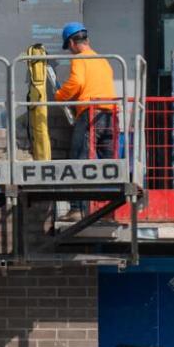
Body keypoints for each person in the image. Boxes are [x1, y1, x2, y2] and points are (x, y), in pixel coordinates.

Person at [54, 21, 117, 221]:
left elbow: (77, 82)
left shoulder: (80, 59)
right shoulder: (103, 60)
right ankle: (111, 210)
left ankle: (77, 209)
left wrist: (59, 96)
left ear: (72, 42)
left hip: (91, 114)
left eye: (69, 47)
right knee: (108, 163)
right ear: (86, 39)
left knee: (78, 160)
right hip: (110, 115)